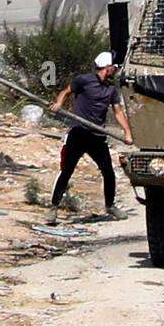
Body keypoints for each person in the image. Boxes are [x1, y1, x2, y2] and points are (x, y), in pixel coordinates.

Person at [46, 52, 133, 225]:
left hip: (97, 136)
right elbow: (66, 91)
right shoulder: (84, 80)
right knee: (67, 171)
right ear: (107, 67)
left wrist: (127, 132)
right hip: (78, 133)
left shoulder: (111, 89)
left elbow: (118, 112)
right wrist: (59, 104)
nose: (115, 70)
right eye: (114, 67)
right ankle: (53, 208)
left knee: (108, 172)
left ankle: (110, 206)